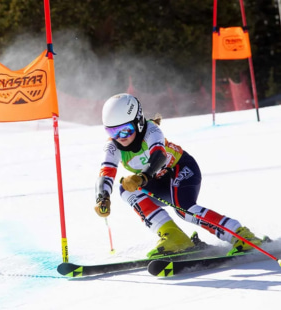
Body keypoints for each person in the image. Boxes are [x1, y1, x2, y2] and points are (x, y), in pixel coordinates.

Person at [94, 93, 264, 258]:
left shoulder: (151, 131)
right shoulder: (113, 147)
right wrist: (102, 198)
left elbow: (158, 157)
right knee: (125, 189)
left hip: (180, 168)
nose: (119, 138)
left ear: (138, 122)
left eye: (124, 131)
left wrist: (142, 177)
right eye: (112, 132)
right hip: (156, 181)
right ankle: (175, 237)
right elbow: (106, 173)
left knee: (184, 209)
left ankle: (240, 235)